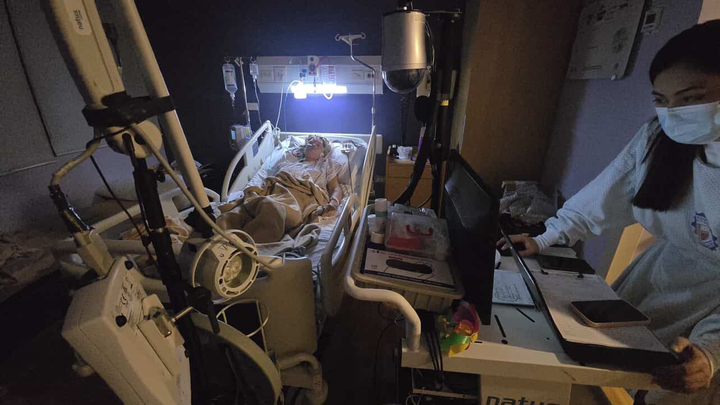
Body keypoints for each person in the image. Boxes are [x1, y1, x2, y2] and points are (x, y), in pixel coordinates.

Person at [499, 21, 720, 404]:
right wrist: (545, 238)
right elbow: (602, 197)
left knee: (672, 389)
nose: (673, 114)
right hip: (659, 278)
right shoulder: (658, 140)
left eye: (690, 98)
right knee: (609, 365)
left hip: (711, 309)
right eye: (661, 100)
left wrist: (712, 351)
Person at [274, 134, 344, 216]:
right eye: (310, 143)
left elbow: (335, 188)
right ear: (304, 149)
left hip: (304, 198)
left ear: (323, 153)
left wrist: (333, 203)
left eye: (318, 145)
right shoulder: (286, 165)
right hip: (279, 194)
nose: (313, 145)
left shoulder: (326, 165)